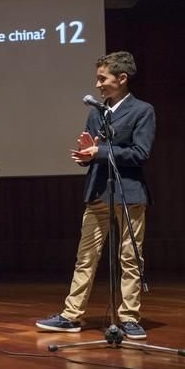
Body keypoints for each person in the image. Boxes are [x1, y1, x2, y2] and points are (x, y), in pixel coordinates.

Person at [36, 51, 155, 340]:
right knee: (85, 256)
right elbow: (95, 151)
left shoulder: (142, 110)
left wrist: (98, 152)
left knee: (130, 257)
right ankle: (71, 315)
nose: (98, 85)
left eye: (103, 79)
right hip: (99, 192)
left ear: (122, 78)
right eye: (97, 79)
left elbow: (140, 153)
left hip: (129, 194)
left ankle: (128, 318)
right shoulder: (95, 111)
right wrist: (87, 156)